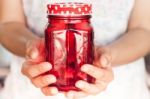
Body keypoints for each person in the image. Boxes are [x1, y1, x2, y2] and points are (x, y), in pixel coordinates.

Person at [0, 0, 150, 99]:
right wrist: (31, 47)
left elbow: (144, 30)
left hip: (122, 90)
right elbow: (8, 23)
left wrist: (109, 56)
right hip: (30, 85)